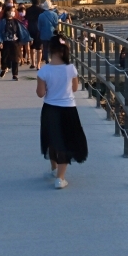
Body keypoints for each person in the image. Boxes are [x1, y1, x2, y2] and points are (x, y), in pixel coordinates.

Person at [37, 36, 87, 189]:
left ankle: (54, 169)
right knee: (66, 141)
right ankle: (61, 177)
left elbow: (40, 93)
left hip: (50, 109)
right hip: (68, 109)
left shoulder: (43, 70)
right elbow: (74, 88)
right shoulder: (71, 68)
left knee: (52, 139)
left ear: (49, 50)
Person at [0, 5, 31, 80]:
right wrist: (0, 42)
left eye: (14, 11)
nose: (13, 13)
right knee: (5, 57)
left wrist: (27, 38)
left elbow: (22, 30)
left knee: (15, 58)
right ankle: (4, 68)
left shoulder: (16, 21)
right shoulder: (2, 21)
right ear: (7, 12)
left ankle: (15, 74)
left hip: (15, 42)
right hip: (5, 42)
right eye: (11, 11)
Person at [37, 1, 60, 67]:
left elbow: (39, 26)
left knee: (45, 48)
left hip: (44, 34)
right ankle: (53, 60)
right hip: (53, 34)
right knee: (53, 48)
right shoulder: (55, 14)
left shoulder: (41, 15)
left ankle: (47, 61)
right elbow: (56, 24)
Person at [26, 0, 43, 68]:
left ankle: (33, 63)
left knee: (32, 48)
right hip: (39, 30)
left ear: (32, 2)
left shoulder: (28, 10)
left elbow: (26, 19)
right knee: (39, 49)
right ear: (39, 2)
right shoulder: (42, 10)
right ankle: (38, 64)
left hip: (30, 29)